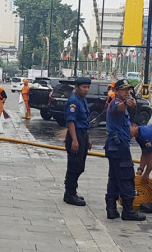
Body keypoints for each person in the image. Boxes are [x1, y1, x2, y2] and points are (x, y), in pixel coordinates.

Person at [104, 79, 146, 221]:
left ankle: (111, 209)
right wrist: (126, 103)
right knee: (127, 175)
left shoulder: (120, 103)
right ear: (116, 91)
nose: (127, 92)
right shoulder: (116, 103)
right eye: (123, 89)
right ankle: (128, 210)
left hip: (116, 145)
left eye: (128, 89)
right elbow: (118, 107)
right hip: (119, 146)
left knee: (115, 177)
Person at [63, 77, 92, 206]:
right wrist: (75, 140)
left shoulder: (83, 101)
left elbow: (85, 121)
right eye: (84, 87)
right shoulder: (73, 101)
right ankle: (69, 194)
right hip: (75, 135)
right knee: (74, 165)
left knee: (80, 165)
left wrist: (88, 138)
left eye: (88, 87)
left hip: (83, 135)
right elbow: (71, 121)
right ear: (77, 88)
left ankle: (73, 192)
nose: (86, 89)